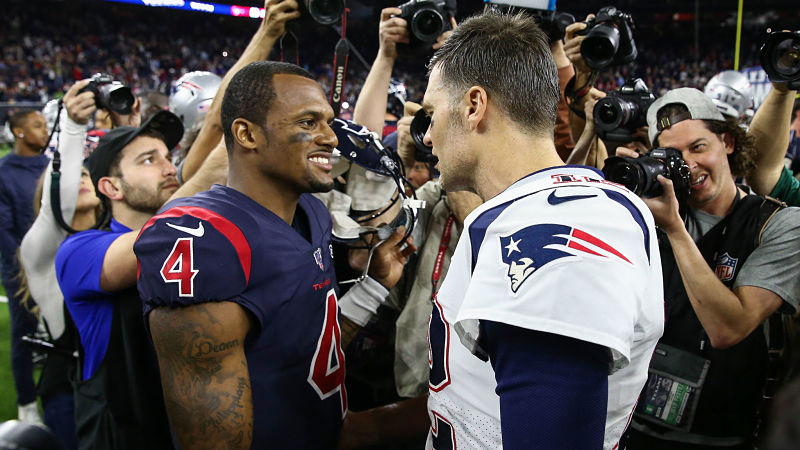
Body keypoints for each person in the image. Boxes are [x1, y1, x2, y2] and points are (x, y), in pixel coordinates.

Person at [341, 11, 665, 449]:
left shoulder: (560, 226)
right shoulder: (528, 209)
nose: (428, 136)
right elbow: (476, 404)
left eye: (433, 113)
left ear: (474, 106)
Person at [134, 61, 415, 449]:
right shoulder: (205, 241)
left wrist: (375, 286)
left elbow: (311, 350)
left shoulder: (313, 213)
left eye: (329, 122)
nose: (331, 137)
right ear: (247, 134)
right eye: (308, 123)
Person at [622, 88, 800, 449]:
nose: (688, 164)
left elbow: (728, 328)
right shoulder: (645, 217)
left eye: (698, 147)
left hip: (726, 438)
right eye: (673, 155)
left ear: (728, 143)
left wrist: (674, 228)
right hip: (632, 427)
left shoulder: (781, 225)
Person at [54, 109, 226, 449]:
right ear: (111, 186)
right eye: (148, 160)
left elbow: (215, 124)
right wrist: (229, 150)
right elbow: (153, 243)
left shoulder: (191, 239)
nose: (168, 168)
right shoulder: (78, 252)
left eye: (167, 157)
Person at [19, 79, 103, 450]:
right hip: (67, 394)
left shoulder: (110, 237)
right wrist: (72, 126)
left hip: (115, 387)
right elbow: (60, 206)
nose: (82, 178)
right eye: (75, 176)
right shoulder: (40, 250)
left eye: (88, 174)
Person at [0, 108, 50, 425]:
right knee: (24, 336)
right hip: (21, 270)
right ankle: (27, 404)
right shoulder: (4, 172)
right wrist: (23, 268)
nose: (44, 131)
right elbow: (2, 228)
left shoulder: (51, 166)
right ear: (19, 132)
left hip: (59, 265)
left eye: (45, 125)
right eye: (36, 126)